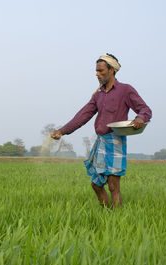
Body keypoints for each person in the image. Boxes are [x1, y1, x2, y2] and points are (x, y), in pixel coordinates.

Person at [50, 53, 152, 208]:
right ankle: (105, 215)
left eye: (101, 71)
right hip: (101, 141)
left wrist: (140, 118)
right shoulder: (98, 95)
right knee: (96, 185)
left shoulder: (125, 90)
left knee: (113, 186)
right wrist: (62, 131)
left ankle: (115, 219)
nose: (97, 74)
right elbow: (83, 115)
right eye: (96, 71)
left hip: (115, 140)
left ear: (111, 70)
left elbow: (145, 109)